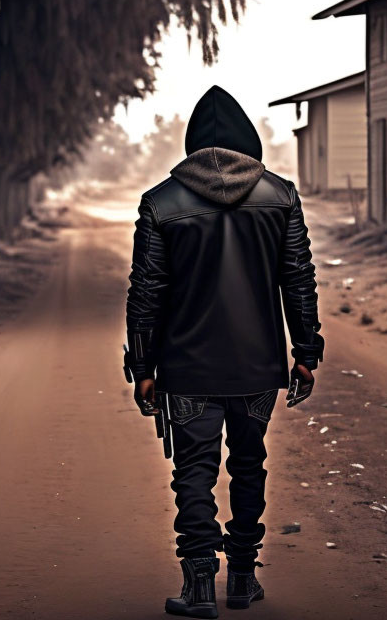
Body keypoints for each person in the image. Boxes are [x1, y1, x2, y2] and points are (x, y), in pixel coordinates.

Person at [124, 85, 324, 618]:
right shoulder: (280, 196)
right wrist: (306, 351)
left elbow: (146, 293)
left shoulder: (161, 203)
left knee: (193, 471)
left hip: (186, 367)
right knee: (249, 462)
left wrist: (142, 368)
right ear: (249, 141)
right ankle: (241, 578)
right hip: (258, 365)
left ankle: (198, 587)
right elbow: (298, 279)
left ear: (192, 145)